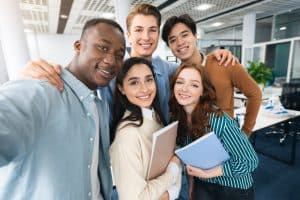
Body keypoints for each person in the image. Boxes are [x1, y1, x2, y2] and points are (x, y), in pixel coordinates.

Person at [0, 18, 126, 200]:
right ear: (78, 46)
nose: (111, 60)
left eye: (119, 55)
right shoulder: (41, 90)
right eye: (103, 48)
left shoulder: (100, 105)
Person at [169, 63, 259, 200]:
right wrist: (193, 185)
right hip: (203, 184)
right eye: (180, 82)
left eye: (194, 85)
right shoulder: (177, 119)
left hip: (233, 187)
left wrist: (211, 173)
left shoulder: (219, 121)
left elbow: (250, 161)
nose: (184, 89)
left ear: (202, 91)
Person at [162, 14, 262, 136]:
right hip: (191, 141)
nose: (180, 42)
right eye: (173, 40)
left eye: (185, 35)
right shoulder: (176, 76)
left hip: (225, 140)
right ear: (170, 47)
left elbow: (255, 94)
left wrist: (245, 132)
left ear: (195, 36)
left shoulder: (224, 62)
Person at [109, 57, 181, 200]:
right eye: (134, 82)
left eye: (149, 80)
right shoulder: (127, 136)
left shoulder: (155, 116)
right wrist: (172, 171)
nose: (145, 89)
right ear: (121, 88)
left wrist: (170, 192)